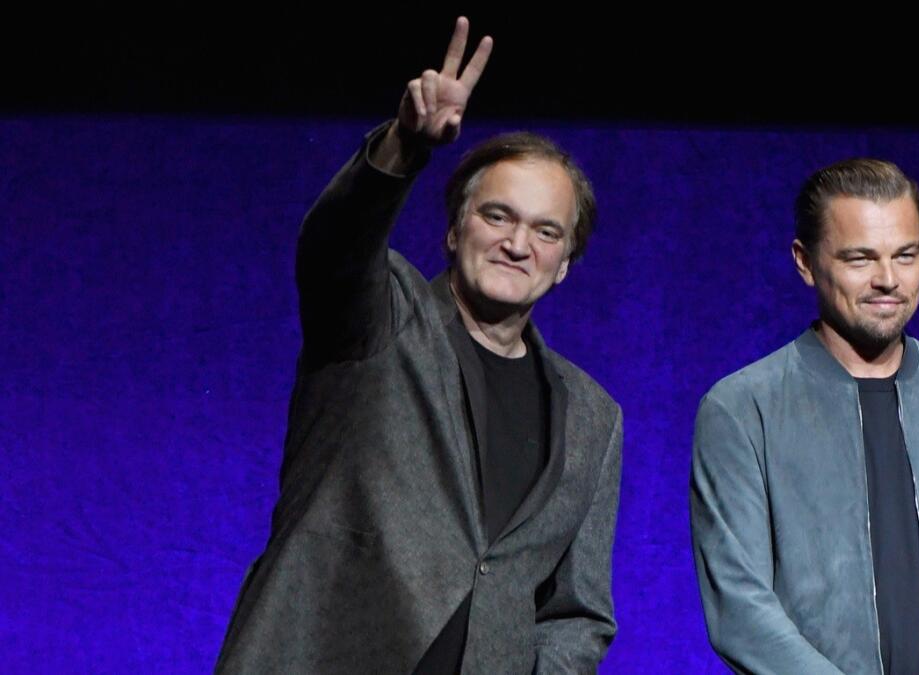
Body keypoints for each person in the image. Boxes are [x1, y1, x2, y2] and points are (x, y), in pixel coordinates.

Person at [217, 17, 622, 673]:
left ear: (566, 262)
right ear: (455, 230)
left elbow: (576, 611)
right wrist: (404, 147)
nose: (519, 244)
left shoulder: (594, 415)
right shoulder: (379, 315)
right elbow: (335, 250)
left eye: (547, 232)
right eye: (498, 216)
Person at [690, 158, 919, 673]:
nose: (889, 279)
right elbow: (740, 607)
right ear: (805, 260)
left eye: (906, 255)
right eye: (860, 259)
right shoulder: (742, 409)